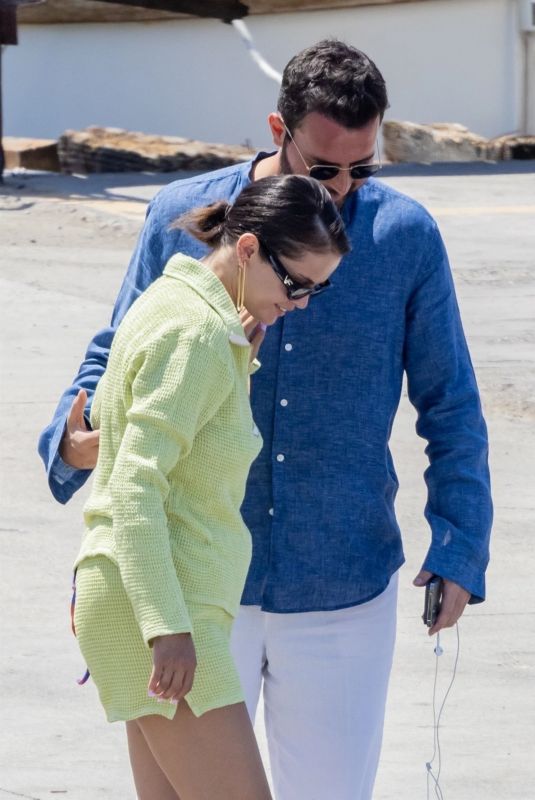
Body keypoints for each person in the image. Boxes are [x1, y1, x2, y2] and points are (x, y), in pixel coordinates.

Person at [40, 39, 492, 800]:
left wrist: (459, 542)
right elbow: (115, 353)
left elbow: (449, 398)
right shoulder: (177, 218)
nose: (344, 188)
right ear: (277, 131)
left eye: (363, 169)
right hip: (189, 580)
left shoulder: (404, 237)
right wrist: (75, 440)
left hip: (340, 574)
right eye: (324, 169)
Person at [70, 174, 349, 800]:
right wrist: (164, 627)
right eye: (296, 283)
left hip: (152, 597)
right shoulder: (194, 334)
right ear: (247, 248)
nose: (302, 302)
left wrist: (236, 361)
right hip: (165, 607)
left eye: (317, 290)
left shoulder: (184, 307)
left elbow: (183, 451)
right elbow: (137, 486)